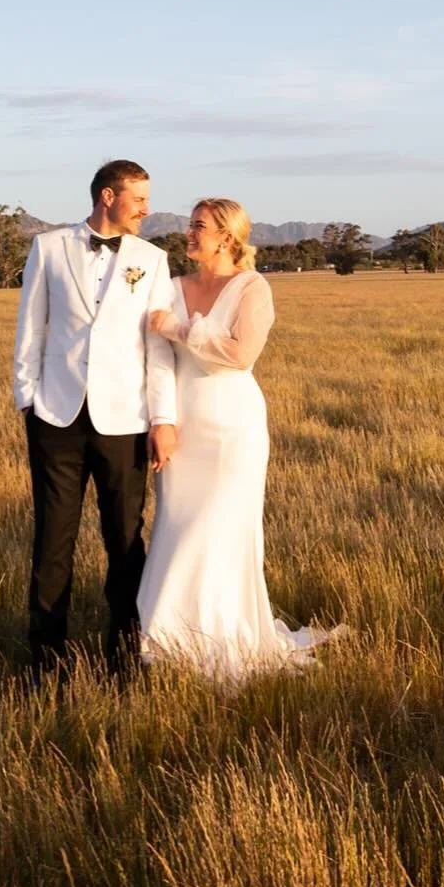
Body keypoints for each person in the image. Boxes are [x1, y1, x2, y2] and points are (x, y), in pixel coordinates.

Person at [137, 197, 339, 681]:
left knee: (221, 527)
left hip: (233, 428)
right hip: (182, 426)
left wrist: (180, 329)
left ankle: (224, 632)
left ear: (227, 237)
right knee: (178, 524)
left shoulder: (252, 287)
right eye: (189, 225)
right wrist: (160, 420)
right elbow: (157, 358)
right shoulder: (171, 286)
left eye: (199, 227)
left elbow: (240, 355)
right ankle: (168, 635)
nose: (189, 233)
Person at [12, 158, 178, 678]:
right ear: (108, 196)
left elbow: (158, 348)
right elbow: (31, 329)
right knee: (52, 540)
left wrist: (162, 419)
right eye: (139, 199)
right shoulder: (48, 248)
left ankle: (125, 658)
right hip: (55, 418)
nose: (147, 210)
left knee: (125, 541)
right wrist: (28, 400)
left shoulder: (153, 260)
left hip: (125, 422)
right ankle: (46, 661)